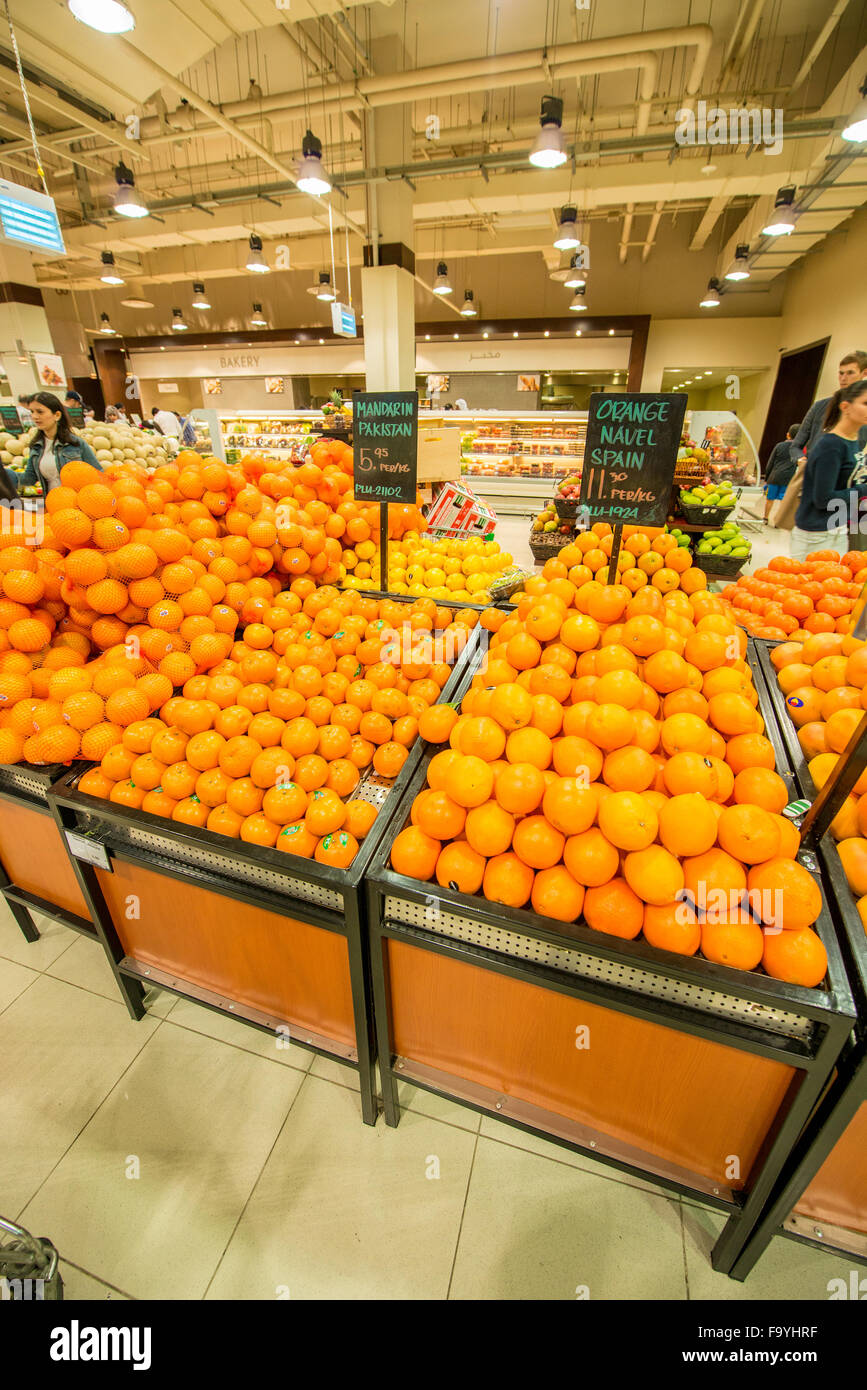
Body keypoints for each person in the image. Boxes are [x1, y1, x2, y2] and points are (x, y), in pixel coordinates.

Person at [791, 381, 867, 561]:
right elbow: (823, 499)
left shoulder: (853, 441)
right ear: (845, 407)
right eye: (865, 403)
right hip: (817, 534)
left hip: (837, 527)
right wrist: (863, 490)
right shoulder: (831, 446)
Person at [4, 391, 100, 496]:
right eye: (32, 411)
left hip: (78, 505)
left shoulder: (76, 444)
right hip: (53, 505)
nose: (35, 416)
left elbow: (98, 473)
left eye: (40, 412)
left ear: (57, 415)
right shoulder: (36, 447)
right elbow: (28, 479)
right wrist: (3, 473)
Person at [790, 351, 867, 463]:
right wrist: (802, 461)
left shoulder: (862, 412)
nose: (843, 378)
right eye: (841, 373)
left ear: (864, 373)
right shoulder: (820, 406)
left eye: (850, 373)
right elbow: (795, 446)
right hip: (812, 469)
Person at [764, 423, 801, 522]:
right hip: (788, 478)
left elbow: (770, 463)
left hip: (775, 476)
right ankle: (777, 521)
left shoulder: (779, 446)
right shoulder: (798, 450)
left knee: (769, 499)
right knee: (783, 501)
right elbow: (799, 463)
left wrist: (767, 479)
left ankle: (765, 518)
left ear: (788, 434)